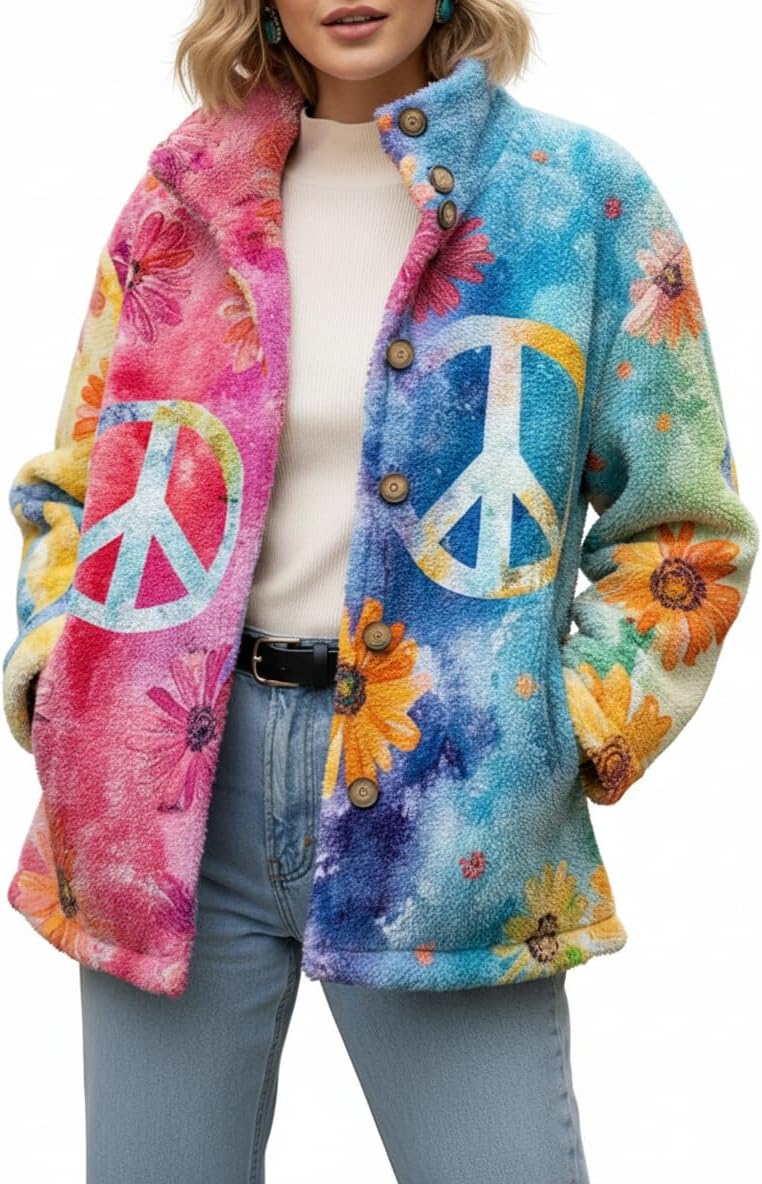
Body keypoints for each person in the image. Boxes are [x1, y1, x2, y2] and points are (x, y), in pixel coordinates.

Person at [3, 2, 758, 1181]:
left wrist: (561, 733)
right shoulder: (182, 198)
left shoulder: (579, 199)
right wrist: (62, 676)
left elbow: (685, 532)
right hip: (166, 798)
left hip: (450, 805)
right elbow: (77, 478)